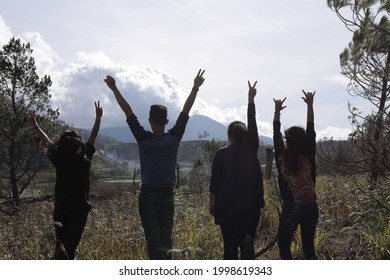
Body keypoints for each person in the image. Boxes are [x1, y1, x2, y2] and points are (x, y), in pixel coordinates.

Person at [104, 69, 205, 260]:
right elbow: (186, 110)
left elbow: (128, 111)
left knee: (153, 241)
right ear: (167, 121)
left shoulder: (143, 138)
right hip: (167, 194)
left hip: (148, 194)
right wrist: (195, 88)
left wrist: (114, 88)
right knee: (166, 242)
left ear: (149, 121)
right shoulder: (174, 138)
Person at [28, 101, 103, 260]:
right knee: (69, 248)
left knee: (60, 247)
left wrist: (35, 126)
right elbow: (93, 136)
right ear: (78, 143)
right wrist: (98, 118)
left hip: (61, 207)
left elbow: (47, 141)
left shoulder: (59, 157)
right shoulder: (84, 158)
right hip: (79, 210)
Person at [209, 81, 264, 260]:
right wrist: (251, 100)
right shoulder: (251, 149)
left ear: (229, 136)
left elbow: (214, 183)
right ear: (246, 136)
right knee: (247, 245)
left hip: (226, 209)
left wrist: (212, 204)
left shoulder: (220, 154)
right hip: (251, 207)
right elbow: (253, 125)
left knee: (229, 247)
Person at [273, 90, 319, 260]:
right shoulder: (309, 154)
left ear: (287, 141)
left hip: (292, 207)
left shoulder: (282, 157)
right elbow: (311, 127)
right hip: (311, 205)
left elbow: (275, 133)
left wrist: (277, 112)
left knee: (284, 244)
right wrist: (309, 105)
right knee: (309, 246)